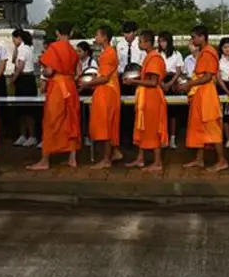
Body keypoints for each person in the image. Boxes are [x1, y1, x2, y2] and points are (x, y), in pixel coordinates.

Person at [28, 22, 80, 170]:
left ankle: (45, 160)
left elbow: (49, 71)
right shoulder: (73, 50)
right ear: (71, 33)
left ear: (57, 32)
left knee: (51, 122)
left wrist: (43, 73)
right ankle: (72, 158)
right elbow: (78, 72)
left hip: (58, 87)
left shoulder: (54, 48)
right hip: (70, 87)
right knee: (72, 121)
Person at [179, 25, 227, 172]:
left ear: (202, 37)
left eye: (193, 37)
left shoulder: (209, 53)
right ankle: (199, 160)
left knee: (212, 128)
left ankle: (222, 161)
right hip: (200, 94)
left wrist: (189, 84)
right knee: (199, 127)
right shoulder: (203, 52)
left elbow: (207, 77)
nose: (192, 40)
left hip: (207, 95)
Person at [124, 30, 168, 172]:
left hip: (152, 98)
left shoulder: (154, 58)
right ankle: (140, 158)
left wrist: (133, 81)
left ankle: (157, 162)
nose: (138, 43)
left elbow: (153, 82)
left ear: (148, 42)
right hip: (146, 97)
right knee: (142, 128)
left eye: (140, 41)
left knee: (152, 129)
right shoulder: (150, 56)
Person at [81, 25, 122, 169]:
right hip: (107, 91)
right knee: (107, 123)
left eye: (97, 35)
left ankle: (106, 159)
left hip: (107, 92)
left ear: (105, 37)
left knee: (105, 125)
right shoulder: (108, 52)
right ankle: (114, 152)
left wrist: (87, 83)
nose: (95, 37)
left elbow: (104, 78)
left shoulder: (108, 54)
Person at [10, 29, 38, 147]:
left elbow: (20, 66)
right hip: (23, 80)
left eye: (14, 38)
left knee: (28, 110)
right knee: (20, 109)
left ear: (19, 38)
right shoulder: (20, 49)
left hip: (25, 79)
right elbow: (13, 61)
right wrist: (15, 48)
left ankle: (32, 135)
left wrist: (13, 79)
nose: (13, 40)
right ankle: (22, 135)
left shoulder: (25, 49)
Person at [158, 31, 183, 149]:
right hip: (160, 81)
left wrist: (170, 83)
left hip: (172, 81)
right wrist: (162, 83)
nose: (162, 44)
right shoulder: (157, 54)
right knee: (161, 111)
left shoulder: (177, 54)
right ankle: (163, 138)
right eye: (160, 41)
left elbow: (178, 71)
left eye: (164, 41)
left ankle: (172, 138)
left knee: (173, 112)